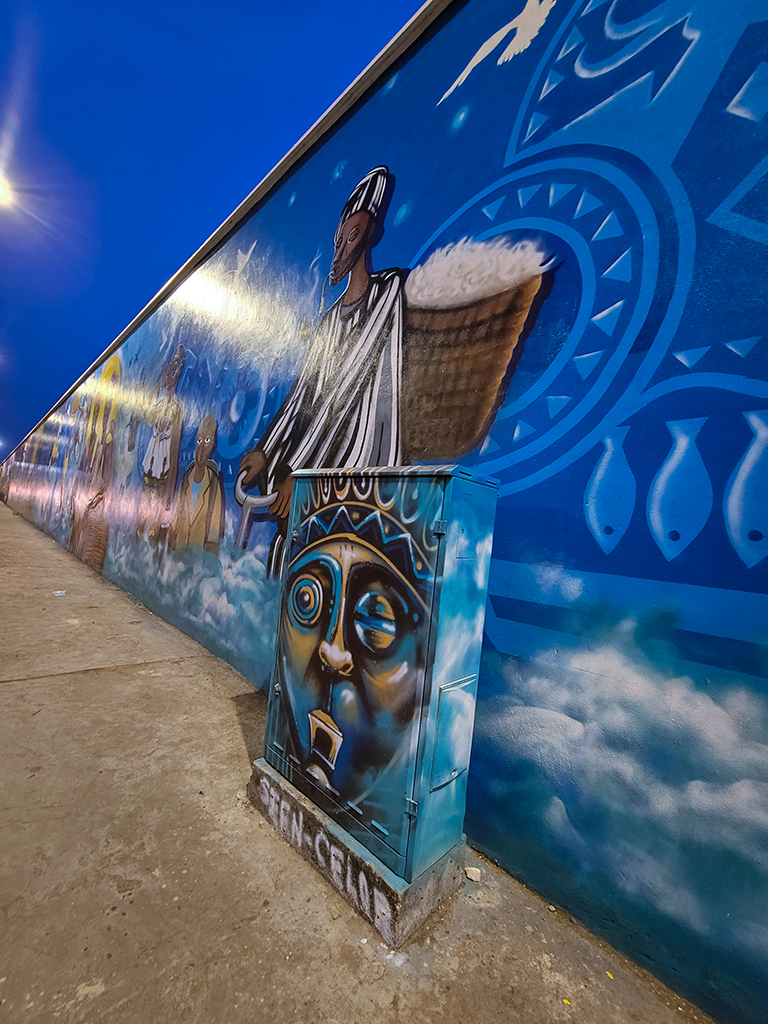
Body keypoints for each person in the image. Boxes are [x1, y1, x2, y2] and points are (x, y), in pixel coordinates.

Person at [238, 166, 404, 574]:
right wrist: (265, 449)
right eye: (340, 238)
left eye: (354, 235)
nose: (344, 247)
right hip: (309, 462)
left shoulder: (388, 294)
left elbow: (345, 391)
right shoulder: (330, 321)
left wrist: (301, 473)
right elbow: (304, 396)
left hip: (356, 467)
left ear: (370, 236)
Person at [169, 413, 225, 556]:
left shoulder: (213, 485)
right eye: (199, 441)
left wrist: (208, 559)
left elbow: (214, 532)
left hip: (197, 557)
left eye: (207, 441)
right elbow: (174, 520)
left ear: (212, 446)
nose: (201, 448)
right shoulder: (186, 480)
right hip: (179, 554)